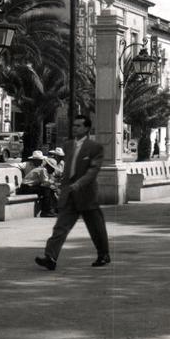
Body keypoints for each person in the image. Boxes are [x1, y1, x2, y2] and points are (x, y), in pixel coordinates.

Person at [35, 115, 110, 271]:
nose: (75, 128)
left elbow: (92, 171)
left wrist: (79, 184)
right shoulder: (67, 146)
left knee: (96, 228)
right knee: (60, 227)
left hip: (87, 195)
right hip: (69, 195)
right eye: (74, 125)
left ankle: (103, 255)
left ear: (87, 128)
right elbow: (66, 170)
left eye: (79, 125)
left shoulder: (95, 148)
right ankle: (50, 257)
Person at [16, 151, 57, 217]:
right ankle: (46, 211)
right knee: (47, 190)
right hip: (26, 188)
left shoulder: (42, 169)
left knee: (49, 190)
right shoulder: (43, 170)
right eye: (52, 168)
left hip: (29, 187)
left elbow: (43, 183)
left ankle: (51, 210)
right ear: (49, 166)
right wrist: (52, 181)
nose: (53, 170)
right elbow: (45, 183)